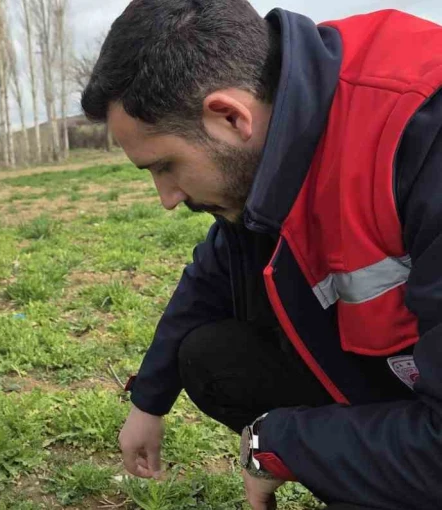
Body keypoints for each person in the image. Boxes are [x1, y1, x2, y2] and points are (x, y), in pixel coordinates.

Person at [82, 1, 442, 509]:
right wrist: (148, 402)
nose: (166, 198)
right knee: (214, 357)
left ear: (230, 116)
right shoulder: (284, 122)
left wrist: (279, 444)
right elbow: (214, 272)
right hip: (409, 383)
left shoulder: (421, 134)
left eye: (165, 166)